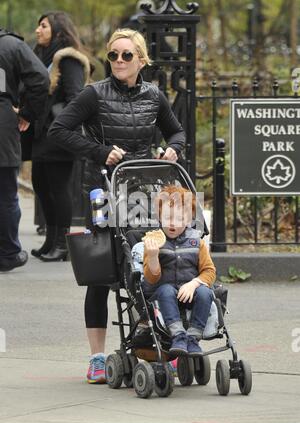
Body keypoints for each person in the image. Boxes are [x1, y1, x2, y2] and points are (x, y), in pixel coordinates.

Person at [48, 28, 185, 383]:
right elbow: (59, 130)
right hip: (102, 191)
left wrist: (174, 149)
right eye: (113, 55)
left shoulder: (154, 96)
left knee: (148, 264)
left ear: (141, 59)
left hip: (142, 192)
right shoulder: (94, 94)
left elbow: (177, 132)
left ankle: (155, 343)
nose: (119, 61)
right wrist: (99, 152)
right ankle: (96, 357)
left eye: (126, 55)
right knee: (102, 273)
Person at [29, 11, 91, 262]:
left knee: (58, 189)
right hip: (43, 134)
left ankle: (63, 244)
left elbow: (76, 97)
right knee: (41, 185)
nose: (37, 30)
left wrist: (59, 120)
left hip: (60, 134)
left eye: (43, 26)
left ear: (57, 29)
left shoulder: (68, 58)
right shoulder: (41, 56)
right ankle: (50, 241)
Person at [143, 185, 216, 356]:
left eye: (179, 218)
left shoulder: (197, 242)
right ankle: (178, 335)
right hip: (163, 295)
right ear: (159, 217)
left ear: (189, 219)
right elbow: (151, 279)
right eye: (167, 217)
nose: (173, 223)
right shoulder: (153, 242)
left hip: (190, 293)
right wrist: (153, 257)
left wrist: (194, 283)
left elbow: (209, 271)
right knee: (166, 290)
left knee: (205, 292)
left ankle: (193, 337)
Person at [0, 27, 49, 272]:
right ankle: (8, 253)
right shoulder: (10, 45)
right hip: (2, 126)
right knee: (6, 194)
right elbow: (40, 78)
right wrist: (29, 113)